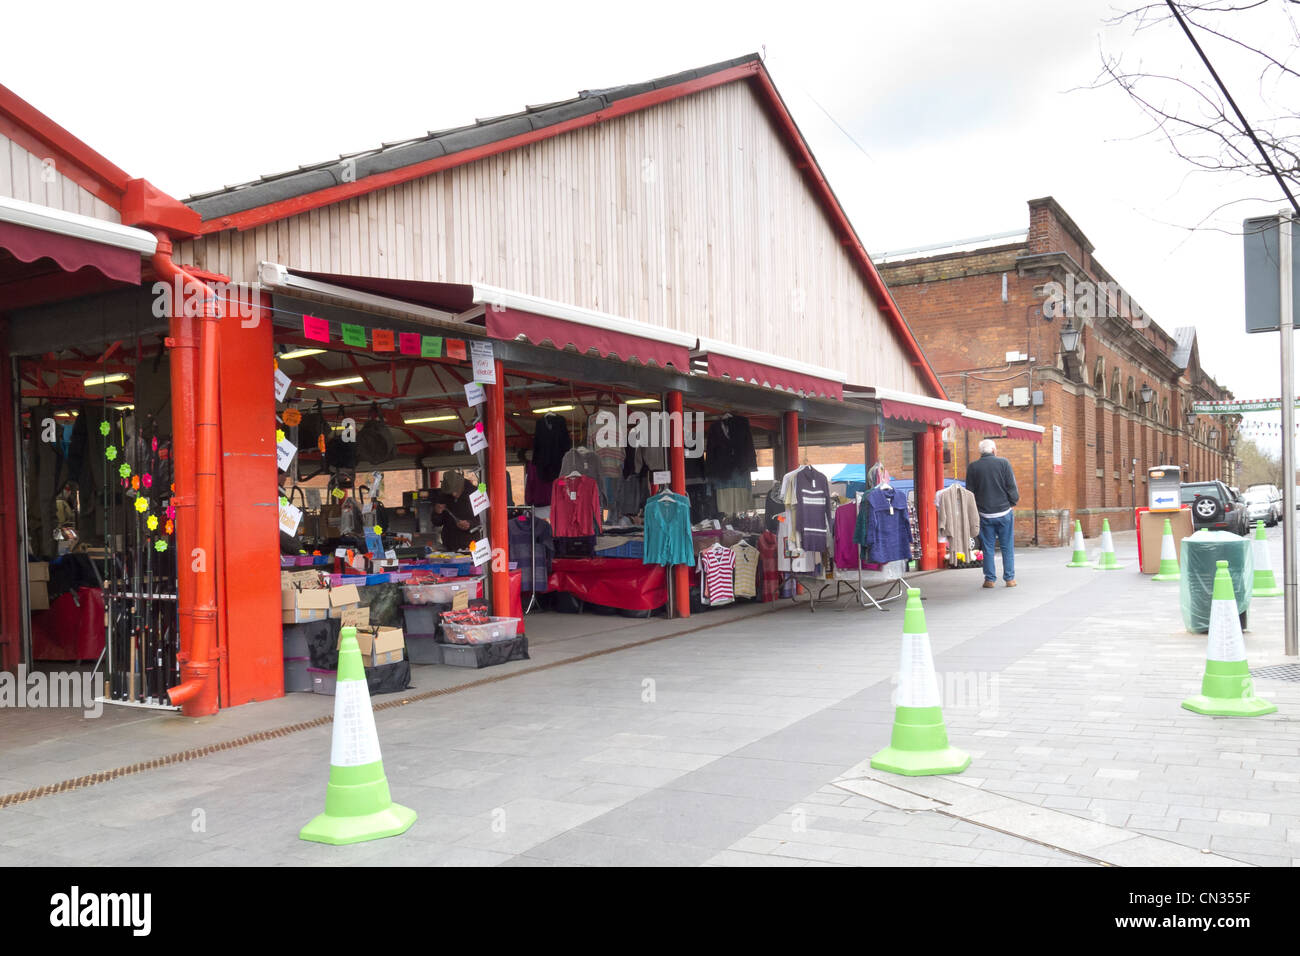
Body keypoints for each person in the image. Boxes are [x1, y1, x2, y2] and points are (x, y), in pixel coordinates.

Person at [965, 438, 1019, 589]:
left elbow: (970, 492)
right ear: (994, 450)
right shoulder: (1004, 463)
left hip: (984, 514)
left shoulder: (973, 467)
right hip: (1004, 512)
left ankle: (989, 579)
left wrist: (974, 510)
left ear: (980, 452)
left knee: (988, 547)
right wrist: (1012, 502)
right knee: (1007, 546)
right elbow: (1011, 486)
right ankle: (1009, 579)